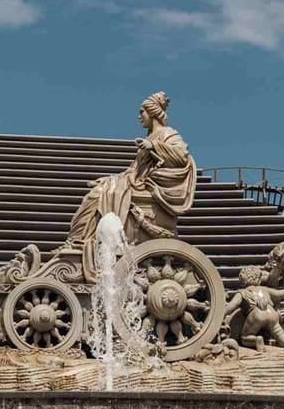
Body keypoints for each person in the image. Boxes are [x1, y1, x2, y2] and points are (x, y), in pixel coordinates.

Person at [64, 91, 196, 281]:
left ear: (152, 113)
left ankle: (78, 242)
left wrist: (154, 147)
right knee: (99, 191)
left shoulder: (168, 134)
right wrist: (109, 179)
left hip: (150, 186)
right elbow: (133, 170)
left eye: (142, 112)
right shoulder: (150, 136)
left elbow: (182, 155)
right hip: (135, 181)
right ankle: (78, 241)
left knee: (98, 196)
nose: (139, 116)